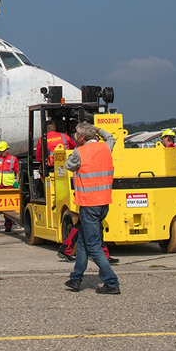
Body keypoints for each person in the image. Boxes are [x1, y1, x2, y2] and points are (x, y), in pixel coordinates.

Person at [63, 122, 120, 294]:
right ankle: (76, 278)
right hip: (103, 203)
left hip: (89, 204)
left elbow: (68, 165)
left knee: (93, 245)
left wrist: (77, 147)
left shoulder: (79, 152)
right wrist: (98, 129)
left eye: (76, 135)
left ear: (81, 137)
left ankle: (111, 282)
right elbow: (111, 137)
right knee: (82, 242)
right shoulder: (105, 148)